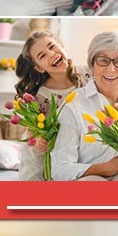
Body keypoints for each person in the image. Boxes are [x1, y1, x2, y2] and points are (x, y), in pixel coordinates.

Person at [51, 31, 118, 181]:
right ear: (92, 65)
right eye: (103, 60)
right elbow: (60, 170)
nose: (111, 69)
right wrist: (107, 168)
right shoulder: (74, 105)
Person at [11, 31, 86, 179]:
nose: (51, 54)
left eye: (52, 46)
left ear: (62, 46)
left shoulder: (87, 74)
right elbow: (33, 129)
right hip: (49, 153)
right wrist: (39, 141)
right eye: (42, 56)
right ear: (39, 68)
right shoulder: (43, 96)